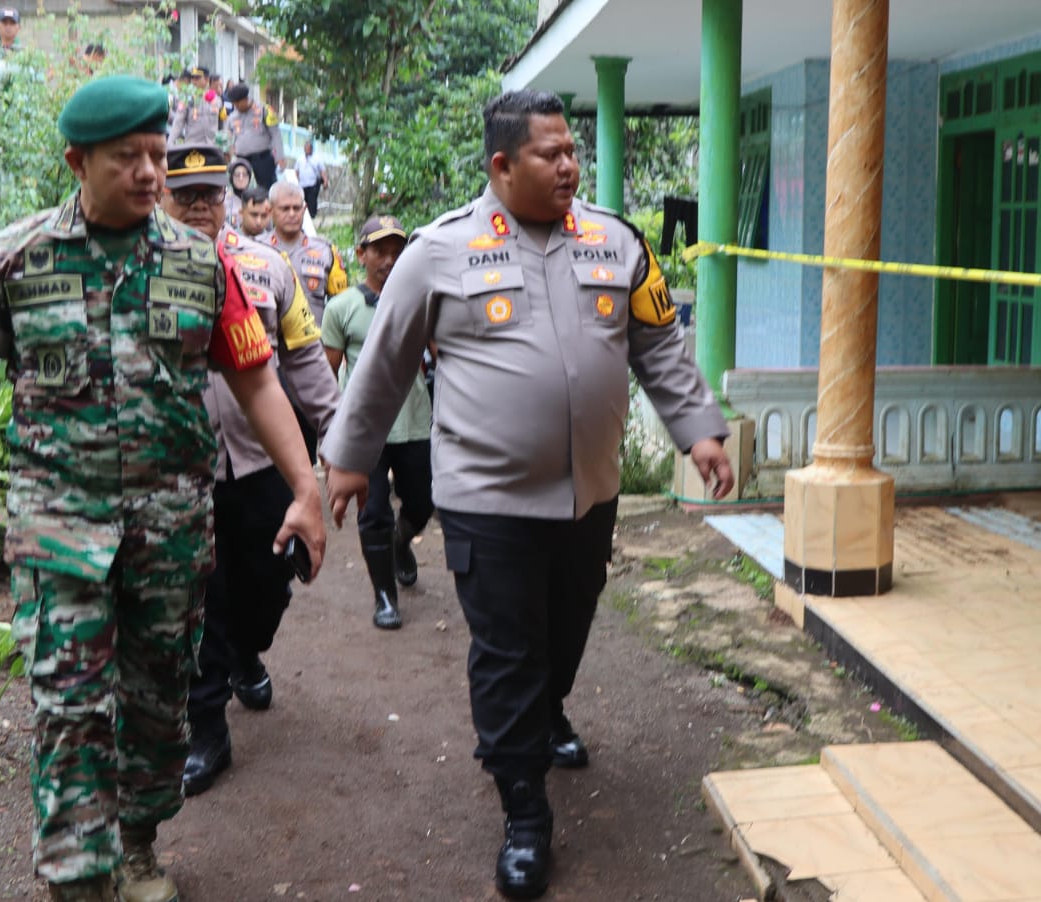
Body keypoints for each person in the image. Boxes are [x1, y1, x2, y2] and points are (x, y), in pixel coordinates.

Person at [0, 76, 327, 902]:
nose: (148, 174)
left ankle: (136, 846)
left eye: (157, 157)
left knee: (157, 705)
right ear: (77, 160)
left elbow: (257, 381)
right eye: (127, 158)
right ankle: (77, 877)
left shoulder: (200, 264)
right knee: (69, 707)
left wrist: (303, 488)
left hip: (169, 532)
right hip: (57, 529)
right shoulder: (14, 259)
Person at [323, 90, 733, 900]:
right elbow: (383, 366)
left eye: (572, 150)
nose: (570, 165)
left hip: (590, 495)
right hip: (488, 500)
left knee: (567, 631)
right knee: (509, 653)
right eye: (550, 154)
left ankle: (547, 717)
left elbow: (657, 342)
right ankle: (523, 811)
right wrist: (349, 457)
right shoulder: (438, 252)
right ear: (501, 166)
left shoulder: (613, 241)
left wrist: (699, 429)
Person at [155, 143, 341, 797]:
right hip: (184, 473)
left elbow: (304, 360)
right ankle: (207, 730)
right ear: (162, 199)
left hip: (259, 464)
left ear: (228, 200)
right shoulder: (140, 272)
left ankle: (246, 650)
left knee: (267, 586)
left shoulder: (266, 270)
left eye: (211, 194)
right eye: (187, 197)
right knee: (198, 603)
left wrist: (339, 441)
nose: (201, 207)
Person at [320, 216, 432, 630]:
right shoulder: (342, 307)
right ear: (360, 254)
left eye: (395, 250)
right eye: (379, 250)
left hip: (415, 418)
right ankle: (384, 596)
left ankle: (402, 542)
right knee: (374, 511)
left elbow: (444, 354)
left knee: (423, 501)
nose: (388, 259)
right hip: (365, 426)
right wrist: (331, 437)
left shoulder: (420, 300)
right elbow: (326, 375)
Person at [262, 181, 347, 324]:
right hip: (266, 342)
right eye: (285, 209)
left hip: (313, 342)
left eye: (296, 208)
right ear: (270, 210)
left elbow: (342, 305)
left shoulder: (326, 252)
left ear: (304, 209)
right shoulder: (255, 249)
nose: (292, 214)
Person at [224, 83, 282, 190]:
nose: (236, 106)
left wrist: (280, 156)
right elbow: (227, 138)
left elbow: (275, 133)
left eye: (238, 103)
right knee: (241, 191)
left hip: (263, 160)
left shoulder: (264, 111)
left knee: (267, 190)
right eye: (234, 104)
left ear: (246, 99)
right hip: (242, 161)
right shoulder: (232, 117)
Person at [169, 66, 224, 146]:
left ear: (206, 79)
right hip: (192, 146)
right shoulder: (186, 99)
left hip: (211, 146)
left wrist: (224, 145)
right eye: (192, 78)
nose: (194, 81)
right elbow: (178, 122)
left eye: (197, 78)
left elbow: (222, 124)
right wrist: (170, 143)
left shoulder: (217, 100)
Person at [295, 139, 326, 218]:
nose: (307, 150)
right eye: (305, 148)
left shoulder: (317, 158)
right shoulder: (300, 159)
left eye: (308, 148)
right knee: (304, 201)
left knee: (312, 200)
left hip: (313, 184)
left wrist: (325, 180)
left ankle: (312, 215)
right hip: (303, 184)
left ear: (311, 149)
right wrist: (296, 181)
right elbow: (296, 171)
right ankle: (304, 216)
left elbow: (322, 171)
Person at [223, 158, 254, 231]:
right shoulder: (224, 200)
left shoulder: (257, 199)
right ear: (231, 177)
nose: (241, 178)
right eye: (237, 174)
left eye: (245, 174)